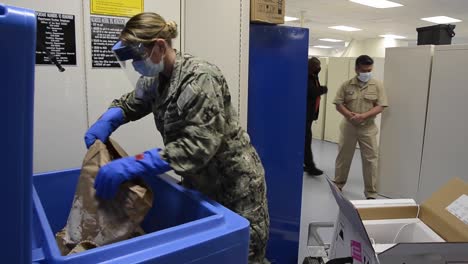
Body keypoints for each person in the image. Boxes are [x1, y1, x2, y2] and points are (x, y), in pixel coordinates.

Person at [84, 12, 270, 263]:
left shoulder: (201, 78)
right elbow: (132, 103)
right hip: (198, 183)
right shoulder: (156, 78)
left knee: (241, 255)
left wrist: (135, 162)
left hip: (235, 187)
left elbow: (199, 146)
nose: (138, 65)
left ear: (160, 46)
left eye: (138, 57)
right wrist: (109, 119)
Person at [333, 55, 388, 199]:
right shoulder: (346, 85)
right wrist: (349, 115)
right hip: (348, 127)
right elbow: (338, 103)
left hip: (368, 128)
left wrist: (363, 116)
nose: (367, 73)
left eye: (369, 70)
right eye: (364, 70)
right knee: (343, 157)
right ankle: (338, 184)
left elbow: (381, 106)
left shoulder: (377, 85)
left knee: (371, 160)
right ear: (356, 69)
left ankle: (371, 192)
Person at [304, 57, 328, 176]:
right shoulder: (307, 76)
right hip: (304, 116)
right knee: (306, 140)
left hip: (309, 115)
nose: (319, 68)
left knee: (305, 140)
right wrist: (323, 89)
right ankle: (310, 166)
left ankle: (306, 164)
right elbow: (312, 92)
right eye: (317, 65)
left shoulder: (313, 76)